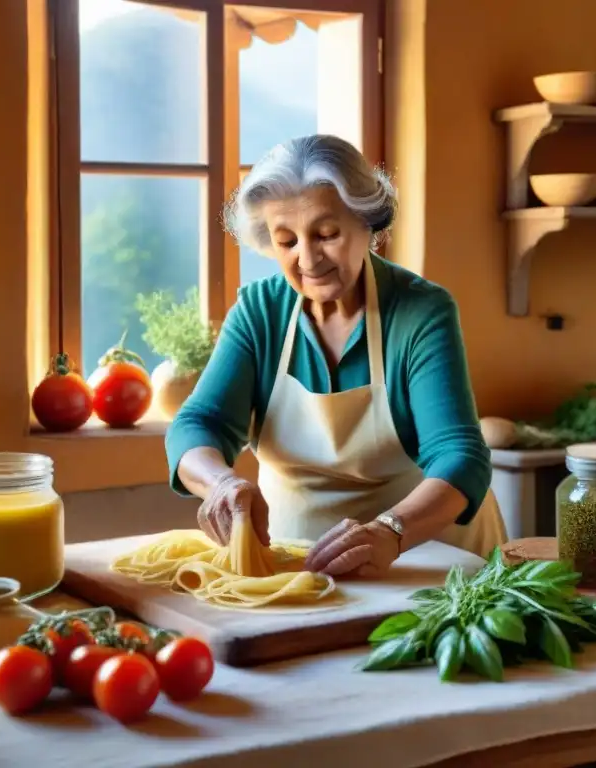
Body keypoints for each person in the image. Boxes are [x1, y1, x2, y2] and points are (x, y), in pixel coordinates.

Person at [165, 134, 507, 579]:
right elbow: (198, 425)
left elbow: (460, 454)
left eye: (326, 234)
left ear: (369, 225)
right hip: (298, 565)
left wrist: (391, 530)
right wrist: (221, 484)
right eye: (286, 241)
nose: (308, 258)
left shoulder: (420, 312)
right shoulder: (259, 313)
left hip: (427, 560)